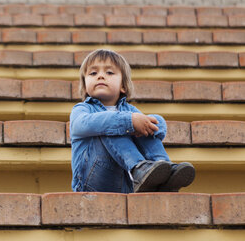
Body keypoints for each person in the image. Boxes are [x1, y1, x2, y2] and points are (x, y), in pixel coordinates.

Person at [70, 49, 195, 193]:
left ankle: (164, 169)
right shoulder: (82, 109)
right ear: (85, 86)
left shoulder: (131, 111)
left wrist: (152, 124)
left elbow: (157, 131)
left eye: (109, 72)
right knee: (110, 123)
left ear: (123, 85)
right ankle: (139, 168)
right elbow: (80, 125)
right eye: (93, 73)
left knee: (140, 126)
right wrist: (128, 122)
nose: (100, 76)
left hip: (124, 185)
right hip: (91, 182)